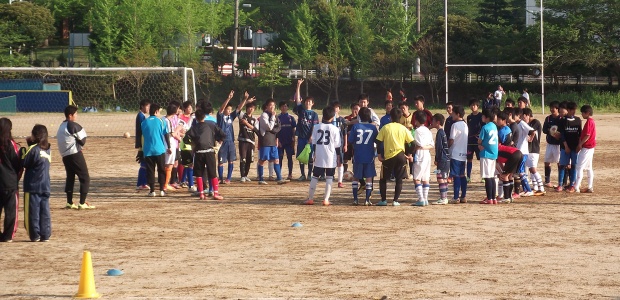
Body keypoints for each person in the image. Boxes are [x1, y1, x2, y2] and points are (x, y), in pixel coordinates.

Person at [57, 105, 95, 209]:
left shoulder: (62, 125)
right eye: (75, 114)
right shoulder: (71, 125)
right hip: (74, 155)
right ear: (70, 115)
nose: (76, 115)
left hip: (65, 156)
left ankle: (69, 202)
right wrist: (78, 142)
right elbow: (82, 141)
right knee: (85, 177)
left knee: (70, 177)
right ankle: (82, 203)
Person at [303, 106, 342, 206]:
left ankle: (310, 198)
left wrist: (314, 154)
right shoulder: (335, 129)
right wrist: (339, 157)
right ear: (333, 117)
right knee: (329, 177)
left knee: (315, 176)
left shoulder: (316, 127)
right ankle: (326, 199)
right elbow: (337, 146)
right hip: (330, 156)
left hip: (319, 155)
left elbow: (314, 143)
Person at [376, 108, 414, 206]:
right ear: (400, 117)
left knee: (383, 179)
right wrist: (409, 154)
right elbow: (412, 143)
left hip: (389, 157)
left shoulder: (386, 127)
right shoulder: (403, 128)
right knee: (399, 179)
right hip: (401, 156)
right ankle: (395, 201)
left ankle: (384, 200)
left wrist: (379, 154)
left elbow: (378, 141)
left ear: (390, 117)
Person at [186, 109, 226, 200]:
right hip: (209, 152)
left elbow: (186, 139)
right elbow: (223, 134)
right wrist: (219, 144)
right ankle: (215, 193)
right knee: (213, 174)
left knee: (199, 174)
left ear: (195, 118)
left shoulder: (194, 128)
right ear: (204, 117)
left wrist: (193, 146)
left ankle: (201, 194)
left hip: (199, 153)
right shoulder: (211, 125)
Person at [22, 125, 52, 242]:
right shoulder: (48, 149)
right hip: (45, 185)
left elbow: (24, 162)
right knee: (45, 211)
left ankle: (35, 234)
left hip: (33, 186)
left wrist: (26, 148)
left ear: (35, 136)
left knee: (32, 211)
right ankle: (46, 234)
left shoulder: (33, 149)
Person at [217, 91, 249, 184]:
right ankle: (221, 178)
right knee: (220, 161)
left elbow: (239, 108)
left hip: (230, 141)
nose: (229, 110)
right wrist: (229, 98)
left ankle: (228, 178)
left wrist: (245, 99)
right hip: (221, 142)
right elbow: (221, 108)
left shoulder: (231, 117)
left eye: (230, 109)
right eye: (228, 109)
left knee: (231, 160)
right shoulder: (220, 116)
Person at [347, 107, 378, 206]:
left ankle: (355, 199)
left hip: (358, 155)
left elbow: (351, 140)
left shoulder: (356, 127)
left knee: (356, 177)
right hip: (369, 155)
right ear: (369, 117)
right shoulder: (372, 127)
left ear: (359, 116)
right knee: (369, 178)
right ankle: (367, 200)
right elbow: (377, 140)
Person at [141, 103, 172, 197]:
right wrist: (169, 147)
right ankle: (162, 190)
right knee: (161, 170)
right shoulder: (161, 121)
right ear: (156, 111)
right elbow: (166, 134)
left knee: (150, 171)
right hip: (159, 149)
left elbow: (142, 135)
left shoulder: (144, 122)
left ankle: (152, 191)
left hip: (148, 150)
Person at [0, 118, 21, 242]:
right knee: (11, 211)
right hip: (9, 183)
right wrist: (16, 177)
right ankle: (8, 235)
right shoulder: (11, 145)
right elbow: (17, 163)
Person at [293, 79, 319, 181]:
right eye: (307, 101)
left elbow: (314, 126)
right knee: (301, 156)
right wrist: (298, 85)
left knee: (310, 157)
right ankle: (302, 174)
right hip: (301, 137)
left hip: (310, 138)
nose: (308, 103)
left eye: (310, 102)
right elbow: (297, 99)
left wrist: (312, 137)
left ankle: (309, 174)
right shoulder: (301, 111)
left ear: (313, 103)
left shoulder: (314, 114)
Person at [257, 99, 287, 185]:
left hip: (273, 140)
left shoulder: (275, 116)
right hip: (266, 140)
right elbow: (269, 127)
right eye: (270, 105)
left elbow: (278, 127)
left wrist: (273, 131)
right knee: (262, 160)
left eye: (273, 105)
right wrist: (273, 126)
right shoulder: (264, 115)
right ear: (266, 106)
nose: (272, 107)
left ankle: (279, 178)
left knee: (276, 159)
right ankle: (261, 178)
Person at [557, 102, 581, 192]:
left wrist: (579, 145)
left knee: (574, 165)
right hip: (565, 147)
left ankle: (572, 185)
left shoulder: (578, 120)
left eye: (575, 110)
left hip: (575, 148)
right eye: (572, 110)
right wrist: (566, 146)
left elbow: (580, 134)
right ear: (568, 110)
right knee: (562, 165)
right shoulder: (562, 121)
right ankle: (560, 185)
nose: (574, 112)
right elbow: (562, 135)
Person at [411, 111, 434, 207]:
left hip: (420, 154)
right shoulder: (428, 130)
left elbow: (418, 144)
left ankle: (421, 199)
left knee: (416, 178)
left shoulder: (417, 131)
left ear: (416, 120)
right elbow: (431, 145)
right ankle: (425, 198)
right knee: (425, 178)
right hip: (427, 154)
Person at [572, 105, 596, 193]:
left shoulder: (589, 122)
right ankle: (590, 186)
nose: (582, 114)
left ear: (588, 113)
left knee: (579, 167)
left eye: (583, 112)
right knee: (589, 167)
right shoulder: (591, 121)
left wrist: (580, 144)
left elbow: (587, 135)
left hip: (587, 147)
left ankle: (576, 186)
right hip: (590, 147)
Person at [478, 109, 499, 204]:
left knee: (487, 177)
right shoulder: (494, 126)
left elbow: (479, 140)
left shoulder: (485, 127)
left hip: (486, 153)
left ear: (486, 117)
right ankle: (493, 198)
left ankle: (489, 198)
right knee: (492, 176)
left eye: (483, 116)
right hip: (493, 154)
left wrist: (480, 144)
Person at [449, 105, 469, 204]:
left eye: (453, 113)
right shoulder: (465, 124)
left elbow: (452, 139)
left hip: (455, 153)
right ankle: (463, 196)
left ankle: (456, 196)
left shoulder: (455, 125)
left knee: (456, 175)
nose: (451, 114)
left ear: (457, 114)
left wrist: (447, 147)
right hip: (463, 153)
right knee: (462, 175)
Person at [513, 108, 535, 197]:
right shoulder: (516, 124)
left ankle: (529, 189)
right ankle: (526, 189)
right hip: (519, 151)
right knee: (520, 171)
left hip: (523, 151)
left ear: (518, 115)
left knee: (521, 171)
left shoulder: (522, 123)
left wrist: (531, 138)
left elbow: (532, 131)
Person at [523, 108, 545, 195]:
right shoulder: (528, 123)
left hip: (534, 148)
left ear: (527, 115)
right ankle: (535, 186)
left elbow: (532, 132)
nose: (522, 118)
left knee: (533, 168)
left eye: (523, 116)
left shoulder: (536, 122)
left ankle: (541, 187)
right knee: (530, 168)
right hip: (529, 149)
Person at [163, 102, 183, 190]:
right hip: (170, 145)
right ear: (175, 112)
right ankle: (165, 185)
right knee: (169, 165)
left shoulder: (162, 119)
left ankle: (165, 183)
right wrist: (169, 147)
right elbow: (170, 134)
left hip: (163, 145)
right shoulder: (168, 121)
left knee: (166, 164)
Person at [431, 114, 450, 205]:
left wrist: (436, 158)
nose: (432, 122)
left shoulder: (439, 133)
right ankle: (444, 197)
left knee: (440, 177)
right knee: (444, 178)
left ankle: (443, 198)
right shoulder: (443, 132)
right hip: (446, 158)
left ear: (438, 122)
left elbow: (439, 147)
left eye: (433, 121)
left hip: (442, 159)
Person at [542, 101, 562, 187]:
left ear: (557, 109)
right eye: (551, 107)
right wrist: (550, 132)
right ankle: (547, 180)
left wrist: (558, 135)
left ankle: (561, 182)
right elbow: (544, 130)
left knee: (560, 163)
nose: (552, 109)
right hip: (550, 143)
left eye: (553, 108)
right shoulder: (548, 118)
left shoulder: (561, 119)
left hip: (558, 144)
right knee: (547, 161)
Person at [238, 100, 258, 182]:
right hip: (243, 140)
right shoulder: (243, 116)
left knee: (249, 159)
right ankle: (242, 176)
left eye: (253, 108)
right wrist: (246, 101)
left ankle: (246, 175)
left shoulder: (254, 119)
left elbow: (256, 130)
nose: (251, 109)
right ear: (246, 108)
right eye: (249, 108)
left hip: (251, 141)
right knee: (243, 158)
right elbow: (238, 109)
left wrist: (247, 124)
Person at [277, 101, 296, 181]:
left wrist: (293, 139)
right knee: (279, 158)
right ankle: (279, 174)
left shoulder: (291, 118)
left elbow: (294, 129)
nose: (284, 108)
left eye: (285, 106)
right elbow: (276, 130)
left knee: (289, 158)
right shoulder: (277, 117)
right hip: (280, 141)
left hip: (289, 141)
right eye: (282, 106)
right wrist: (278, 140)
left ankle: (290, 174)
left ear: (287, 107)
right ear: (280, 108)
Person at [330, 102, 348, 187]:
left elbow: (345, 133)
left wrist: (345, 145)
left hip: (340, 144)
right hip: (330, 144)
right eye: (334, 107)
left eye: (337, 107)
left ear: (339, 109)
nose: (335, 109)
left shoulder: (342, 120)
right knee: (331, 161)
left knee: (340, 162)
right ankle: (330, 176)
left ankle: (340, 181)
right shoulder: (329, 120)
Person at [179, 101, 195, 191]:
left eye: (191, 107)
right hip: (184, 142)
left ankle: (183, 180)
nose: (190, 109)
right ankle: (187, 182)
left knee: (188, 163)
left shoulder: (193, 117)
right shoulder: (181, 118)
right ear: (184, 108)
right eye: (188, 108)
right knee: (188, 163)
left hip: (192, 142)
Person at [466, 99, 483, 181]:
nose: (473, 107)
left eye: (474, 105)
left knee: (481, 158)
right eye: (471, 105)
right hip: (470, 140)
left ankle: (483, 176)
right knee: (469, 158)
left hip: (478, 140)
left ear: (478, 106)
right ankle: (468, 176)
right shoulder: (469, 117)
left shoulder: (481, 116)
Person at [135, 99, 151, 190]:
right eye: (147, 106)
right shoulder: (141, 116)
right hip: (143, 142)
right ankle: (141, 183)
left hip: (143, 142)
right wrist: (140, 145)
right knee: (144, 163)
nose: (148, 108)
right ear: (142, 106)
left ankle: (142, 183)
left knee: (144, 163)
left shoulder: (142, 116)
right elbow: (141, 131)